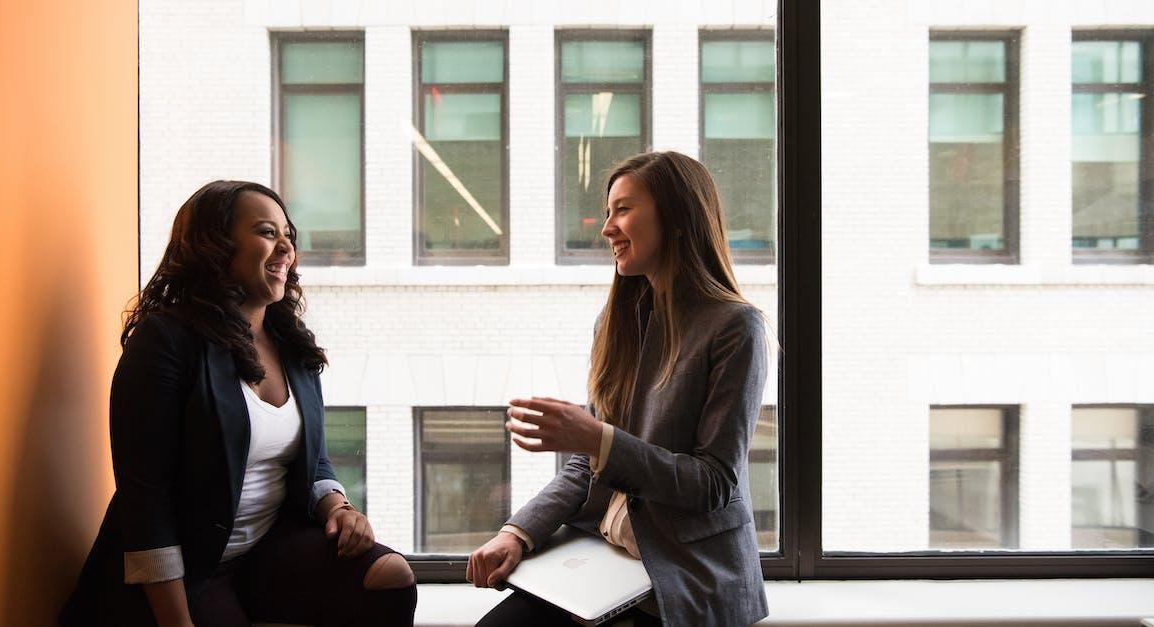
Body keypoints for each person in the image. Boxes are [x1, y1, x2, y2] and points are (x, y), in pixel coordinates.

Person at [60, 181, 416, 627]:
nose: (286, 246)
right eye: (268, 232)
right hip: (186, 572)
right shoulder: (166, 342)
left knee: (389, 577)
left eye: (289, 235)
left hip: (265, 550)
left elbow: (313, 460)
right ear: (214, 245)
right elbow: (145, 499)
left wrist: (339, 508)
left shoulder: (291, 344)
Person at [468, 152, 771, 626]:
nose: (607, 228)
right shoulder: (618, 323)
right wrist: (518, 533)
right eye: (608, 212)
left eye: (623, 209)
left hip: (683, 575)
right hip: (603, 562)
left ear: (676, 217)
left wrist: (596, 439)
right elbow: (587, 467)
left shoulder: (735, 327)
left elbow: (713, 484)